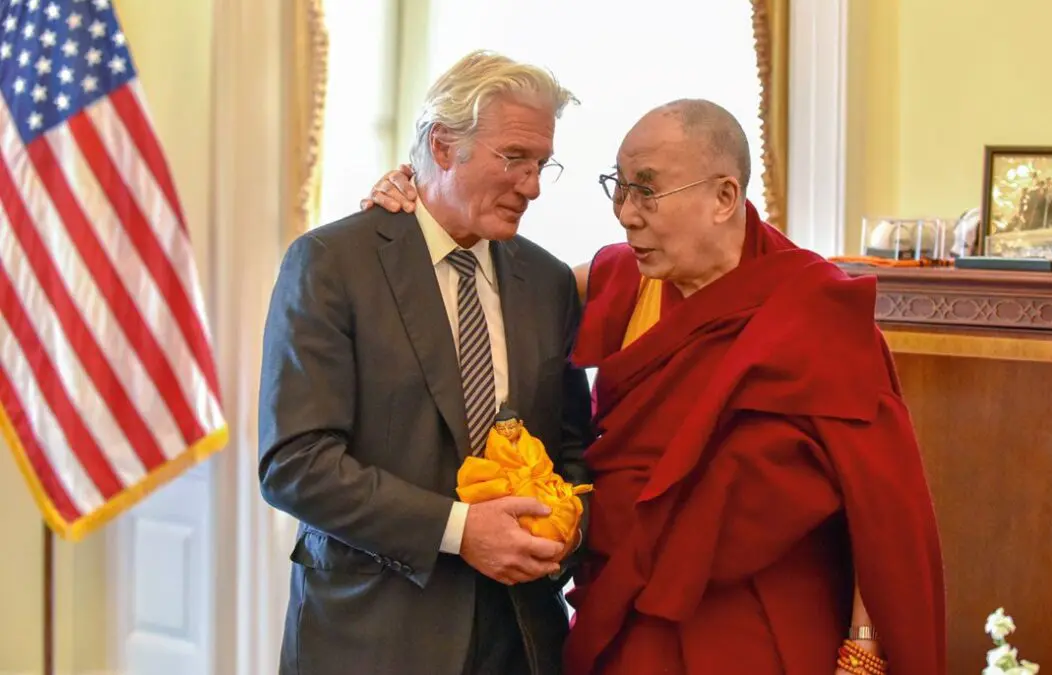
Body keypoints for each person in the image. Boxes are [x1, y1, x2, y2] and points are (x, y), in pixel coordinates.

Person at [364, 99, 946, 674]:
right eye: (618, 188)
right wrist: (422, 210)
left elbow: (880, 502)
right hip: (632, 611)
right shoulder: (623, 279)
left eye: (646, 191)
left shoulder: (814, 310)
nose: (625, 214)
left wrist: (863, 647)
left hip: (763, 622)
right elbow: (493, 292)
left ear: (724, 197)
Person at [258, 50, 593, 675]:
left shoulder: (548, 282)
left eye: (542, 164)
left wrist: (566, 530)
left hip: (522, 640)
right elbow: (294, 464)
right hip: (373, 636)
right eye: (514, 158)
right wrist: (459, 530)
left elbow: (573, 447)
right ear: (443, 146)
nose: (531, 186)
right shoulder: (332, 263)